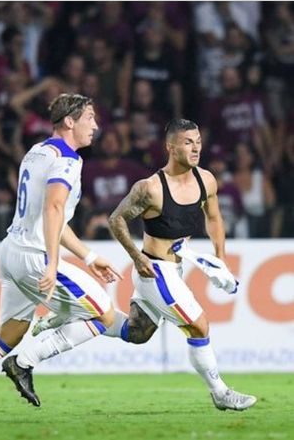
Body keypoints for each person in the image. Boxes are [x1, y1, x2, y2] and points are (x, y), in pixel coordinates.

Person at [0, 93, 124, 420]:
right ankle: (23, 363)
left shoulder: (37, 152)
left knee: (12, 331)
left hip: (10, 250)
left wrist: (89, 257)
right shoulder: (68, 160)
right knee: (103, 315)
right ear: (70, 122)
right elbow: (53, 208)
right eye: (90, 118)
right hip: (34, 255)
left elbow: (53, 217)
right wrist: (52, 262)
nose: (96, 125)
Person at [107, 118, 257, 411]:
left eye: (198, 141)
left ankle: (83, 316)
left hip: (173, 269)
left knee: (138, 332)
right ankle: (220, 392)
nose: (196, 147)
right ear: (171, 147)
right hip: (154, 270)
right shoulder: (150, 187)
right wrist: (136, 257)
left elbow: (214, 218)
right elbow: (116, 219)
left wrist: (221, 258)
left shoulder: (206, 180)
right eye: (188, 142)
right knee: (199, 326)